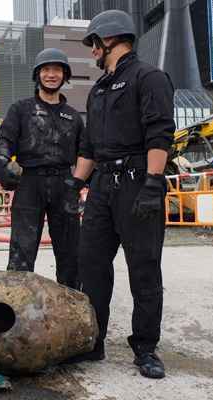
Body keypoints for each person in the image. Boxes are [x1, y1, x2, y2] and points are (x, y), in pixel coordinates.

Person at [68, 10, 175, 379]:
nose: (92, 51)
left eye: (93, 44)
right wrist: (76, 184)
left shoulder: (150, 78)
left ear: (108, 40)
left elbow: (160, 133)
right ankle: (92, 341)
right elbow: (90, 145)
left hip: (137, 182)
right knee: (91, 264)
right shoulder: (99, 89)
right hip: (101, 187)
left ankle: (145, 347)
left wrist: (153, 183)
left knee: (143, 268)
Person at [0, 48, 84, 288]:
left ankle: (70, 302)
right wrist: (3, 164)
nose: (51, 75)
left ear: (65, 76)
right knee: (22, 249)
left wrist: (81, 184)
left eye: (57, 70)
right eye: (46, 70)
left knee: (70, 252)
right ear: (37, 75)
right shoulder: (20, 110)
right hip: (29, 184)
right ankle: (14, 308)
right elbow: (3, 143)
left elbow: (86, 154)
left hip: (65, 185)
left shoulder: (73, 117)